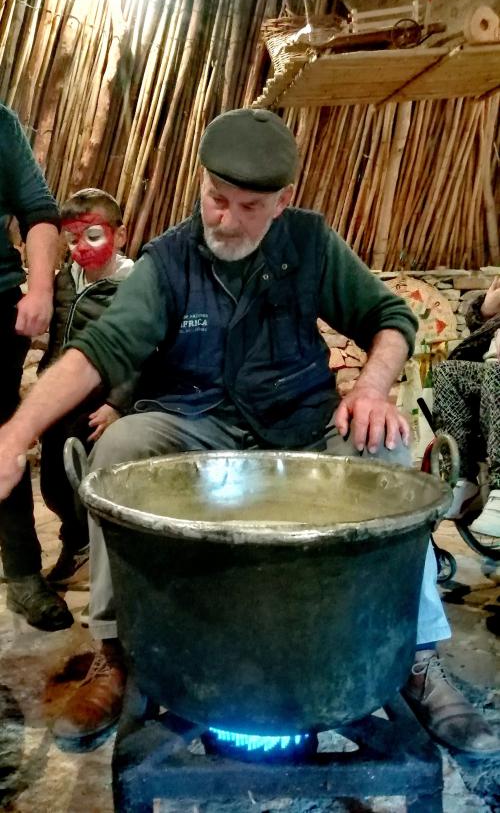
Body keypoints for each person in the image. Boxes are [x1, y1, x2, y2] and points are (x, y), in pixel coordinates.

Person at [0, 109, 497, 756]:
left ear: (283, 201)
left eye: (248, 205)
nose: (225, 219)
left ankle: (419, 659)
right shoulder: (170, 259)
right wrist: (16, 433)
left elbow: (389, 316)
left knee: (385, 447)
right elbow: (101, 348)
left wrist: (373, 389)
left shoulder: (312, 245)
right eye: (215, 198)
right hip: (194, 423)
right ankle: (116, 651)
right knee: (119, 448)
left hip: (300, 428)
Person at [38, 188, 135, 586]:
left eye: (93, 236)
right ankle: (74, 546)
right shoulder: (65, 281)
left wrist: (117, 403)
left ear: (120, 235)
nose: (81, 247)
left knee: (90, 479)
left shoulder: (134, 286)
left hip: (96, 404)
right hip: (60, 399)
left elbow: (141, 351)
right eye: (73, 239)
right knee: (54, 482)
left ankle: (101, 559)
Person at [0, 103, 72, 631]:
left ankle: (23, 575)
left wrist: (42, 287)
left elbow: (39, 211)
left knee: (4, 437)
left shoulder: (1, 124)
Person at [434, 276, 500, 538]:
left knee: (496, 372)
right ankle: (462, 480)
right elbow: (479, 325)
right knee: (448, 373)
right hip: (492, 366)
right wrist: (487, 309)